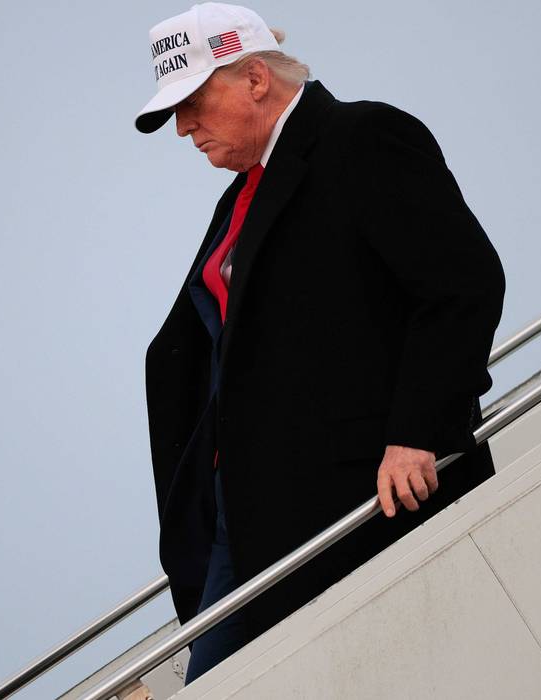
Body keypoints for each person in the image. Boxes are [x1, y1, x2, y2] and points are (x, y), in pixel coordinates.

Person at [135, 2, 506, 685]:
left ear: (253, 78)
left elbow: (462, 285)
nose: (183, 127)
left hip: (357, 496)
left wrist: (417, 432)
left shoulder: (361, 137)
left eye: (192, 102)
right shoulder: (241, 196)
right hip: (246, 519)